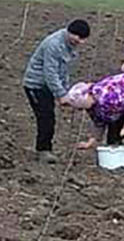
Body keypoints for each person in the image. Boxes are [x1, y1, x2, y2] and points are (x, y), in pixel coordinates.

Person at [22, 19, 91, 162]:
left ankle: (45, 148)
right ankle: (43, 151)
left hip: (48, 86)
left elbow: (64, 70)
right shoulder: (54, 45)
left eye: (83, 39)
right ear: (71, 33)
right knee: (46, 118)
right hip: (36, 85)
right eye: (79, 37)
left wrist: (66, 92)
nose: (81, 42)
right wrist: (61, 95)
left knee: (49, 117)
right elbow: (50, 73)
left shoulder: (69, 44)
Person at [66, 71, 124, 168]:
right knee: (113, 121)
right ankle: (117, 157)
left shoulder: (107, 97)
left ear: (86, 98)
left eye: (81, 107)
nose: (82, 110)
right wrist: (91, 141)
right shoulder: (91, 105)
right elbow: (99, 122)